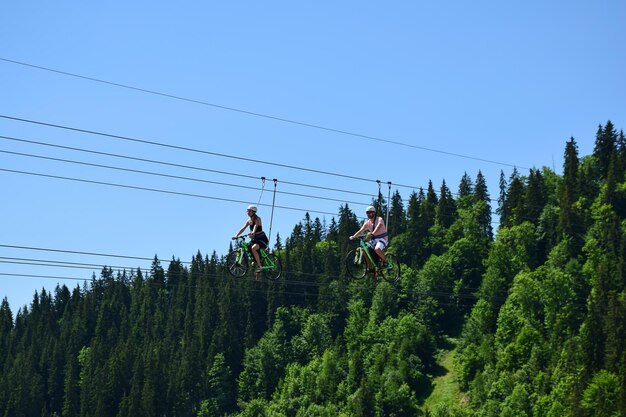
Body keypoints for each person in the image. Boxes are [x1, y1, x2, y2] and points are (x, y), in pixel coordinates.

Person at [233, 204, 269, 280]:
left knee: (253, 248)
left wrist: (253, 232)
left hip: (261, 239)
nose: (247, 212)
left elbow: (256, 226)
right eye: (247, 211)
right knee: (249, 249)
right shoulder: (248, 221)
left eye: (249, 211)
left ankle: (260, 266)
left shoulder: (258, 219)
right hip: (255, 239)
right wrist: (236, 235)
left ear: (253, 211)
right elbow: (242, 229)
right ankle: (256, 262)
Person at [350, 205, 388, 274]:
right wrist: (354, 236)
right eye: (367, 213)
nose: (368, 214)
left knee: (377, 249)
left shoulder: (379, 219)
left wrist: (373, 233)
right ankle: (369, 267)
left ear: (374, 213)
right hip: (374, 239)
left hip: (383, 238)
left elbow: (378, 226)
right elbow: (361, 230)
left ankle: (385, 262)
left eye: (370, 212)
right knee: (363, 249)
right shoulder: (367, 223)